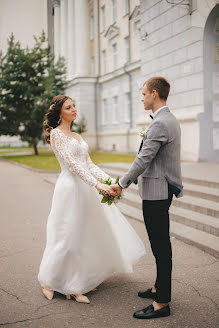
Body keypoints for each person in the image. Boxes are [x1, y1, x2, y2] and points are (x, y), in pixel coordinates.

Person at [38, 95, 145, 304]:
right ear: (60, 113)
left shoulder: (78, 135)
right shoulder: (57, 134)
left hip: (85, 189)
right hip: (69, 190)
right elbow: (73, 166)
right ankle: (49, 282)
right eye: (69, 107)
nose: (74, 109)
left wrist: (110, 182)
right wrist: (97, 185)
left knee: (84, 236)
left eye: (74, 106)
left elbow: (89, 164)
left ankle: (77, 283)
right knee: (67, 236)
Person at [111, 77, 183, 319]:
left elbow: (143, 160)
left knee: (161, 248)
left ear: (154, 93)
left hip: (156, 193)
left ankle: (162, 303)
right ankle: (157, 288)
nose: (141, 98)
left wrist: (121, 184)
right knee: (159, 245)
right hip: (161, 191)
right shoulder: (167, 119)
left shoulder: (160, 123)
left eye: (143, 94)